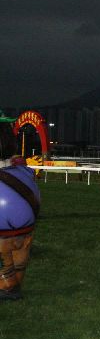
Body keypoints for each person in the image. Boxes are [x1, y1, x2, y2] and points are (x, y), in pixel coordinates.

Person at [0, 112, 40, 300]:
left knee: (6, 257)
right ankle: (13, 286)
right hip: (26, 225)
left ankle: (8, 285)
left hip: (4, 227)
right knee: (19, 255)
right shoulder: (24, 171)